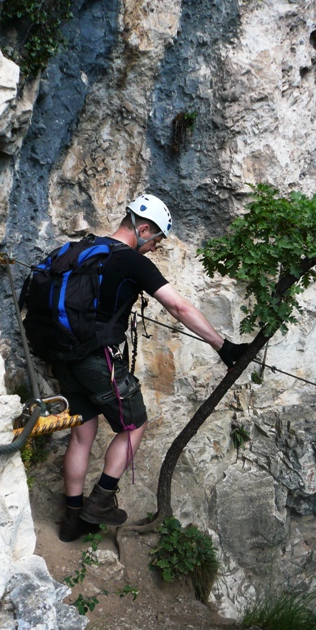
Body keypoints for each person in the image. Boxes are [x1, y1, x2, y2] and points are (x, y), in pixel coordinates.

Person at [54, 194, 248, 542]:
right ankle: (100, 502)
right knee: (134, 424)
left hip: (63, 356)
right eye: (156, 239)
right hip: (96, 359)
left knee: (82, 435)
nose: (156, 247)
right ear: (143, 229)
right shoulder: (131, 261)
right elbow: (179, 308)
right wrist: (223, 346)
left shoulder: (79, 249)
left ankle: (71, 520)